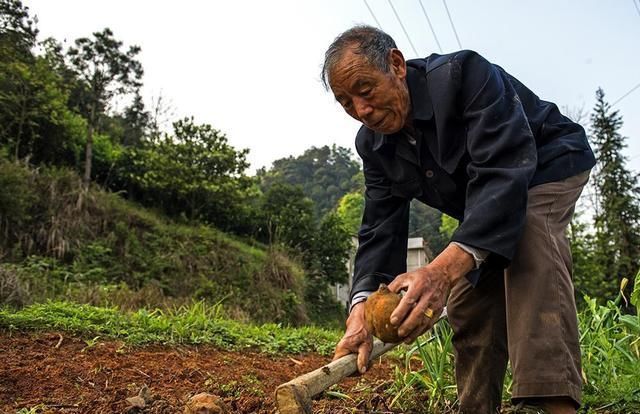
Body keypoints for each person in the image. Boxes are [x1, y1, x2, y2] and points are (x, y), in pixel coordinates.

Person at [323, 25, 595, 414]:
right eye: (346, 103)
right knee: (467, 299)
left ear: (396, 64)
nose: (361, 111)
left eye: (365, 91)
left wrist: (440, 271)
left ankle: (549, 400)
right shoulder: (373, 145)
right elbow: (380, 230)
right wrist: (361, 312)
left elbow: (504, 172)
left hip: (546, 163)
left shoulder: (464, 76)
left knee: (528, 236)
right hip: (487, 202)